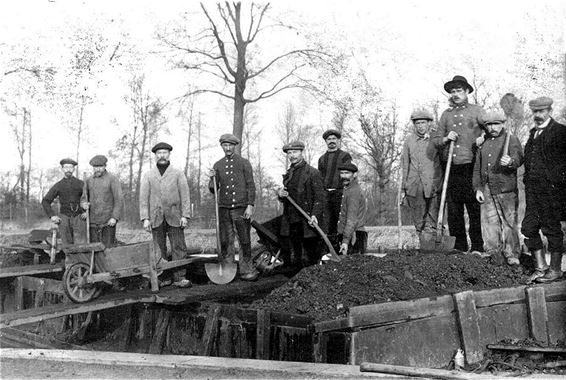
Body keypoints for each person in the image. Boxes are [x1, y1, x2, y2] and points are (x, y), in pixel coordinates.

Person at [432, 75, 485, 253]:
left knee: (473, 208)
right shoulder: (446, 115)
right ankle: (460, 247)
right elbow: (436, 140)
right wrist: (447, 138)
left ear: (467, 91)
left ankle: (477, 246)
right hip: (451, 168)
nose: (455, 94)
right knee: (454, 211)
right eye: (453, 91)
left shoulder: (477, 111)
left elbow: (492, 130)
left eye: (459, 90)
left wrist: (482, 138)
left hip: (471, 165)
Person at [522, 97, 566, 283]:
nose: (538, 115)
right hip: (533, 190)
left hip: (552, 190)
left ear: (549, 111)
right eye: (535, 112)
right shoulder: (533, 133)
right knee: (528, 227)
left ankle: (555, 270)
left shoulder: (560, 132)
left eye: (542, 112)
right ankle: (541, 267)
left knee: (551, 228)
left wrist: (557, 182)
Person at [473, 111, 523, 266]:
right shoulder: (484, 144)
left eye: (496, 124)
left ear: (502, 124)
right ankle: (493, 252)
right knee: (489, 223)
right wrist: (478, 189)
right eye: (489, 125)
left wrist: (510, 161)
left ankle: (512, 254)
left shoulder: (511, 139)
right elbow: (477, 168)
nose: (493, 127)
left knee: (509, 223)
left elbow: (519, 158)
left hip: (506, 188)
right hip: (487, 189)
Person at [140, 142, 192, 288]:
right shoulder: (148, 175)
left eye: (164, 153)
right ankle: (163, 278)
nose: (162, 156)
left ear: (169, 154)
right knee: (158, 249)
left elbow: (185, 195)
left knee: (178, 247)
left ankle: (179, 277)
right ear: (155, 156)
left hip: (175, 215)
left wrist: (185, 216)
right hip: (155, 217)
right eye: (159, 153)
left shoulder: (177, 173)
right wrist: (145, 218)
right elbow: (143, 199)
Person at [208, 134, 258, 281]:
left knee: (244, 240)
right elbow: (214, 189)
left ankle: (246, 270)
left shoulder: (244, 163)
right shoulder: (218, 165)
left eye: (230, 145)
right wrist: (212, 179)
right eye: (225, 145)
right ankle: (229, 270)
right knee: (226, 240)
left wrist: (250, 205)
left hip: (241, 208)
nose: (228, 148)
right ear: (222, 146)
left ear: (234, 146)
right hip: (224, 208)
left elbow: (251, 185)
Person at [278, 141, 326, 268]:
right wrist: (281, 194)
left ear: (301, 152)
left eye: (295, 152)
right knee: (295, 255)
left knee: (310, 256)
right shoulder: (289, 174)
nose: (292, 155)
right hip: (291, 220)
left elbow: (320, 198)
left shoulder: (312, 173)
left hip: (307, 221)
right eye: (289, 153)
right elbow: (288, 196)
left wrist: (315, 215)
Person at [401, 109, 442, 238]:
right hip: (414, 185)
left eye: (423, 123)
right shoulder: (409, 141)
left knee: (432, 217)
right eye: (417, 123)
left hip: (432, 183)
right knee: (418, 219)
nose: (420, 126)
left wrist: (438, 182)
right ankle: (422, 243)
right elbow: (405, 164)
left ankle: (434, 243)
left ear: (429, 123)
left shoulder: (436, 138)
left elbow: (443, 159)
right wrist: (404, 186)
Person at [317, 129, 352, 246]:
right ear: (326, 141)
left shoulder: (345, 156)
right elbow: (320, 178)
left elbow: (349, 174)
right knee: (326, 222)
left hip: (340, 192)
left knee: (341, 220)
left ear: (338, 140)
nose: (331, 141)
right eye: (329, 139)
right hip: (326, 194)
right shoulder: (322, 159)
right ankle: (329, 248)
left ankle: (343, 246)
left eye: (334, 139)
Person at [41, 158, 86, 245]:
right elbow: (45, 201)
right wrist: (52, 216)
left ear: (74, 169)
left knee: (81, 244)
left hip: (79, 217)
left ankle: (80, 259)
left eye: (70, 167)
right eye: (66, 167)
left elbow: (88, 200)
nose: (68, 169)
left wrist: (86, 212)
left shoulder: (81, 184)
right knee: (67, 244)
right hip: (64, 218)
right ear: (62, 169)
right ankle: (69, 258)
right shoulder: (58, 185)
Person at [81, 155, 123, 248]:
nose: (98, 169)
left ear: (105, 166)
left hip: (108, 222)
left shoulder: (112, 179)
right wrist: (84, 205)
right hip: (92, 221)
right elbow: (84, 198)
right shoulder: (88, 180)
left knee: (108, 248)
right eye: (95, 167)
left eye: (100, 167)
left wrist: (114, 217)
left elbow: (119, 199)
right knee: (94, 249)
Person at [336, 162, 367, 255]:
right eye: (342, 173)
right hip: (349, 235)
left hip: (353, 237)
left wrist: (345, 242)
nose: (344, 176)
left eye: (347, 173)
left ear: (355, 175)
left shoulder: (354, 192)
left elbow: (351, 219)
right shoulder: (347, 189)